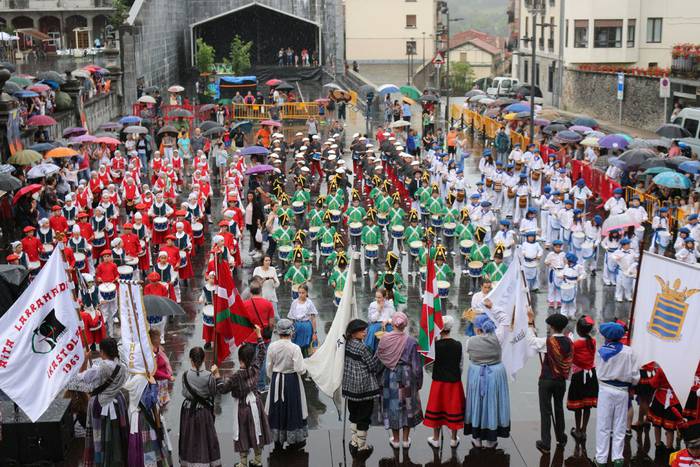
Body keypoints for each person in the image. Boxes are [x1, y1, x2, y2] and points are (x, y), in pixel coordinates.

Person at [65, 338, 128, 466]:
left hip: (101, 406)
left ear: (102, 352)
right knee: (117, 437)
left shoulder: (100, 368)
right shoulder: (122, 366)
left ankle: (103, 462)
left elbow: (76, 383)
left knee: (101, 438)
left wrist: (83, 361)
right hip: (118, 403)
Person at [214, 326, 272, 467]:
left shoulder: (235, 377)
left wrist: (217, 376)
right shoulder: (255, 368)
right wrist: (258, 335)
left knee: (243, 433)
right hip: (256, 403)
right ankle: (258, 460)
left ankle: (243, 462)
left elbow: (222, 389)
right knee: (257, 431)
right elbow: (262, 352)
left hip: (242, 408)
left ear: (240, 359)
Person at [594, 321, 640, 467]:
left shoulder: (601, 351)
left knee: (603, 425)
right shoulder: (629, 351)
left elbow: (598, 372)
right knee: (620, 425)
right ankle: (617, 458)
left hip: (605, 389)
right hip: (622, 391)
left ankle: (601, 459)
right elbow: (635, 376)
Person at [527, 312, 573, 455]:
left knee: (545, 412)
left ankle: (546, 443)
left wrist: (530, 323)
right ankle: (561, 437)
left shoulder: (547, 342)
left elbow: (530, 340)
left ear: (552, 327)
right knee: (558, 408)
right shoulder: (569, 342)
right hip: (561, 381)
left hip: (546, 380)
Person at [376, 311, 423, 449]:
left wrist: (378, 377)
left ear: (393, 324)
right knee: (408, 407)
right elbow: (417, 366)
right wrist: (418, 383)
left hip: (390, 376)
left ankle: (395, 440)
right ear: (405, 325)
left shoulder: (384, 339)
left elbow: (379, 359)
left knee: (393, 407)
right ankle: (406, 440)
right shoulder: (412, 342)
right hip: (407, 377)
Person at [464, 313, 511, 449]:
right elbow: (505, 320)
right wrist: (492, 308)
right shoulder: (499, 337)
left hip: (477, 373)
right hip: (495, 373)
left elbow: (470, 353)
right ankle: (491, 439)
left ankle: (477, 438)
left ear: (478, 329)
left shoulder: (470, 342)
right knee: (493, 403)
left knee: (477, 403)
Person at [265, 319, 309, 450]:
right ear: (291, 332)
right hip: (291, 381)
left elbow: (269, 367)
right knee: (292, 408)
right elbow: (300, 369)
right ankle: (294, 440)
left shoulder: (272, 346)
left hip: (277, 379)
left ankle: (278, 440)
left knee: (277, 408)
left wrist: (272, 377)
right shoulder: (294, 348)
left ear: (278, 332)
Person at [343, 319, 384, 457]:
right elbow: (373, 366)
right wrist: (379, 351)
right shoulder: (363, 348)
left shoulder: (346, 344)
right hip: (365, 387)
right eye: (362, 330)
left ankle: (354, 441)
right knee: (364, 417)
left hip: (350, 386)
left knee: (353, 414)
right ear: (354, 333)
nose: (365, 332)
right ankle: (361, 446)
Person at [424, 315, 464, 448]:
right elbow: (461, 365)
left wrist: (434, 375)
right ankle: (453, 438)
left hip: (439, 382)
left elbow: (428, 365)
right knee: (454, 410)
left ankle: (435, 438)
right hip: (454, 382)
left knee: (437, 409)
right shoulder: (458, 345)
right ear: (450, 328)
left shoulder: (435, 346)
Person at [178, 347, 221, 467]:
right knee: (205, 437)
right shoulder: (208, 375)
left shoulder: (185, 375)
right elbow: (213, 392)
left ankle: (190, 462)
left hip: (189, 411)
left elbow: (185, 393)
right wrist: (215, 374)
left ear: (190, 359)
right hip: (204, 412)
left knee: (190, 437)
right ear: (204, 359)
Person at [567, 315, 598, 444]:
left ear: (578, 330)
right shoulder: (593, 341)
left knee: (578, 405)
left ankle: (578, 430)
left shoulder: (576, 343)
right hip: (591, 375)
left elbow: (571, 356)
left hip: (579, 376)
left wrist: (569, 339)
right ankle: (584, 430)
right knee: (587, 406)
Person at [287, 284, 318, 357]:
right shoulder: (294, 302)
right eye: (299, 293)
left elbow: (313, 318)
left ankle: (305, 363)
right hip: (296, 326)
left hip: (306, 327)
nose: (301, 295)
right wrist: (290, 330)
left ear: (306, 293)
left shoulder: (309, 303)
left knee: (306, 346)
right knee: (296, 346)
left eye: (303, 293)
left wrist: (314, 333)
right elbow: (291, 318)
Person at [364, 288, 396, 352]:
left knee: (392, 333)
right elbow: (372, 319)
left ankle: (390, 353)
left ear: (384, 297)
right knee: (373, 331)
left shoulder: (389, 304)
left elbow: (394, 317)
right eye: (376, 297)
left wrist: (388, 321)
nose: (377, 299)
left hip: (387, 324)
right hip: (375, 324)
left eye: (379, 297)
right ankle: (372, 352)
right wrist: (379, 310)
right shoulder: (373, 304)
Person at [151, 328, 175, 407]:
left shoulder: (157, 349)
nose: (160, 339)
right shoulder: (152, 355)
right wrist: (168, 377)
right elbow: (155, 371)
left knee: (163, 401)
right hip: (159, 382)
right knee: (158, 403)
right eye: (158, 338)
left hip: (163, 381)